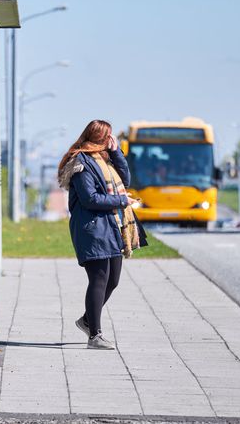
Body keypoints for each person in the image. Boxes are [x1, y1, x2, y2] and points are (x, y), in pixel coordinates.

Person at [58, 120, 147, 350]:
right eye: (108, 137)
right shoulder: (81, 163)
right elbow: (90, 199)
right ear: (98, 137)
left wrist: (117, 153)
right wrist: (121, 200)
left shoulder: (106, 160)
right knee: (98, 279)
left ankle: (87, 320)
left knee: (113, 280)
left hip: (110, 226)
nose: (111, 141)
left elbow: (125, 180)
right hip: (92, 228)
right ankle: (94, 335)